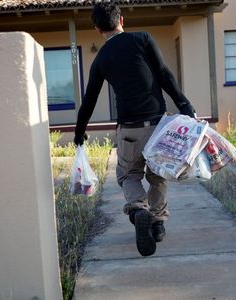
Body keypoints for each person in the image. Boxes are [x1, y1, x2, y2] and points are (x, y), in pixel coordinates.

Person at [73, 2, 196, 257]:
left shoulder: (101, 59)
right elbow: (164, 74)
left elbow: (89, 100)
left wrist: (79, 131)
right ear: (122, 21)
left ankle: (139, 209)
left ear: (97, 29)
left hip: (129, 128)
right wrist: (184, 104)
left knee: (129, 175)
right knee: (157, 174)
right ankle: (158, 223)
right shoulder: (143, 39)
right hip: (157, 125)